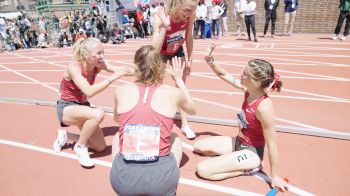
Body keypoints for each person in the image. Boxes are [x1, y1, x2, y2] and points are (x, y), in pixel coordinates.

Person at [193, 43, 289, 192]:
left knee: (203, 170)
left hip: (252, 152)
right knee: (198, 147)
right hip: (239, 142)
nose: (241, 74)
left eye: (245, 73)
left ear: (255, 81)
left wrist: (274, 176)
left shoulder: (264, 107)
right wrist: (210, 60)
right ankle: (236, 159)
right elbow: (224, 75)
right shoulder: (249, 90)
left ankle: (251, 168)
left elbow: (272, 144)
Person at [110, 45, 196, 195]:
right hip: (161, 181)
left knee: (118, 136)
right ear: (160, 67)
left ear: (136, 66)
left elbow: (117, 119)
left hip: (124, 180)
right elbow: (192, 110)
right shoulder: (173, 93)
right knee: (175, 138)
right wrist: (179, 81)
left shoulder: (120, 90)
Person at [53, 38, 131, 167]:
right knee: (98, 113)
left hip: (83, 107)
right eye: (99, 53)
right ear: (85, 55)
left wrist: (145, 70)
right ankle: (80, 147)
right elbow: (89, 91)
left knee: (100, 147)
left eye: (103, 52)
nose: (102, 56)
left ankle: (66, 136)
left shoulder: (98, 65)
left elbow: (121, 70)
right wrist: (112, 78)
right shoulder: (73, 67)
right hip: (67, 108)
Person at [151, 0, 198, 139]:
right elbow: (153, 48)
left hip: (177, 50)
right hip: (161, 51)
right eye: (187, 10)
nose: (189, 14)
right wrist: (165, 26)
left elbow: (189, 37)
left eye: (192, 11)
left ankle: (185, 125)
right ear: (177, 4)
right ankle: (155, 120)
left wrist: (190, 59)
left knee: (181, 86)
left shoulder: (190, 16)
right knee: (156, 86)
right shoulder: (159, 15)